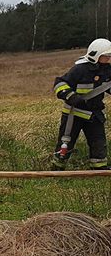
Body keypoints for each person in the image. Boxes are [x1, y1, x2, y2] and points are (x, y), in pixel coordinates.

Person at [51, 38, 111, 170]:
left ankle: (99, 168)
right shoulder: (80, 69)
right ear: (97, 55)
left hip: (94, 114)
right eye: (106, 56)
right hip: (74, 114)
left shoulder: (107, 70)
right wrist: (70, 96)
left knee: (98, 142)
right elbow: (59, 83)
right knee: (66, 142)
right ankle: (57, 169)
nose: (109, 59)